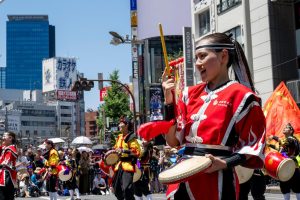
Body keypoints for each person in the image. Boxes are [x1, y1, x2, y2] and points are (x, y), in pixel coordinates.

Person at [161, 33, 266, 200]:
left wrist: (224, 163)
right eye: (196, 58)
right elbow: (173, 141)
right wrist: (168, 100)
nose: (197, 63)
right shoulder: (189, 94)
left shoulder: (243, 96)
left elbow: (253, 147)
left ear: (223, 56)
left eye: (202, 56)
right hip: (184, 177)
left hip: (218, 180)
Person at [268, 123, 300, 200]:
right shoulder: (287, 140)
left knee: (295, 186)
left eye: (287, 128)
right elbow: (281, 150)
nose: (284, 129)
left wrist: (274, 137)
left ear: (291, 131)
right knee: (286, 186)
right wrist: (269, 145)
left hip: (290, 165)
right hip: (288, 165)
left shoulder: (292, 139)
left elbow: (284, 143)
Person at [112, 117, 142, 200]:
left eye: (121, 123)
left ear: (127, 125)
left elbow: (137, 152)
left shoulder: (131, 137)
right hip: (119, 165)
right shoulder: (119, 137)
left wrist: (123, 151)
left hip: (128, 165)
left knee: (127, 189)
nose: (119, 125)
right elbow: (115, 149)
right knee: (116, 189)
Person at [0, 131, 18, 200]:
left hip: (6, 176)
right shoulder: (5, 148)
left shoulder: (10, 149)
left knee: (4, 196)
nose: (2, 138)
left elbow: (5, 162)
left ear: (10, 138)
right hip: (5, 176)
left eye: (4, 136)